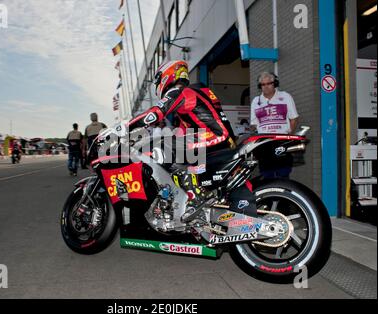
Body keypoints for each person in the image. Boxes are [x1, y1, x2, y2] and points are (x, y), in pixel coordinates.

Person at [126, 60, 255, 219]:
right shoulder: (194, 93)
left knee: (161, 148)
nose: (158, 85)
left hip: (214, 137)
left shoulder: (179, 92)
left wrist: (126, 128)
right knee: (171, 145)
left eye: (159, 80)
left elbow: (156, 112)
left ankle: (194, 197)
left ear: (168, 75)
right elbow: (181, 132)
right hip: (223, 140)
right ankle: (195, 199)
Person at [250, 71, 299, 179]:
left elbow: (294, 118)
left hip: (281, 141)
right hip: (264, 144)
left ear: (275, 83)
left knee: (283, 175)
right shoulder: (256, 101)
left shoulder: (285, 97)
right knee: (267, 176)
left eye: (269, 83)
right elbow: (254, 124)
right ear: (260, 86)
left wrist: (288, 135)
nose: (266, 87)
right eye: (263, 84)